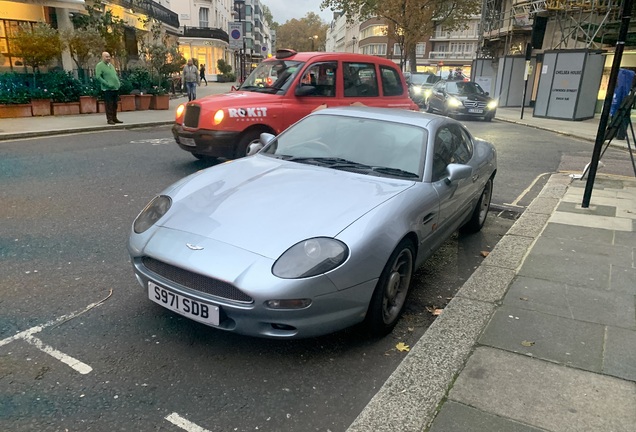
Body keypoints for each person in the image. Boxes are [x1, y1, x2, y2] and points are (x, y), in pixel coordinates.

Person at [95, 51, 122, 125]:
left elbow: (114, 75)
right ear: (102, 57)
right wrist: (107, 84)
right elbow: (98, 77)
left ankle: (114, 118)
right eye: (106, 57)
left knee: (115, 104)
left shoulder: (111, 65)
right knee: (109, 104)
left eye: (109, 56)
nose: (108, 58)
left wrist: (118, 83)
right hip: (107, 89)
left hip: (115, 88)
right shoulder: (100, 65)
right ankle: (109, 119)